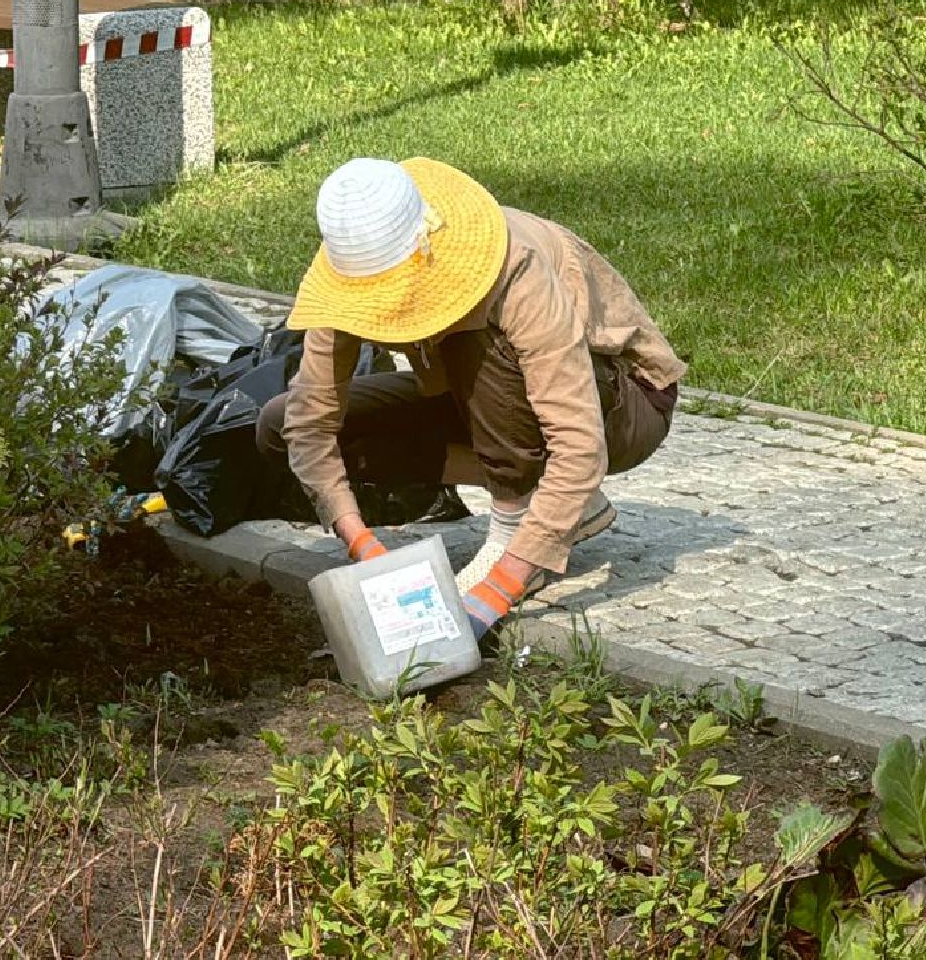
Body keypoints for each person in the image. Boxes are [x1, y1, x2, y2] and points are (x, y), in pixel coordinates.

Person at [257, 157, 687, 639]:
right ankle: (561, 503)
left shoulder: (512, 264)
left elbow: (579, 442)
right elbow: (310, 422)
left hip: (624, 403)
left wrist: (498, 587)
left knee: (474, 341)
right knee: (278, 423)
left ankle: (516, 517)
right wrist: (361, 545)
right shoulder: (351, 269)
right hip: (485, 403)